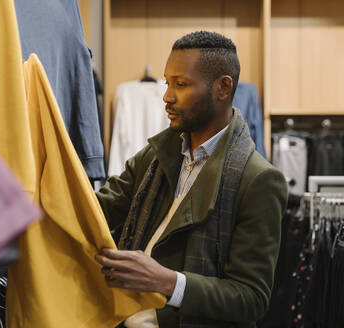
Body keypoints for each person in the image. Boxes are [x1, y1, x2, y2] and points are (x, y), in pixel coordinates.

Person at [95, 31, 288, 328]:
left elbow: (251, 298)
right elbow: (98, 209)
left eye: (181, 84)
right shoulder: (157, 156)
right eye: (167, 82)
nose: (167, 96)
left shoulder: (258, 180)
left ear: (222, 87)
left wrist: (167, 282)